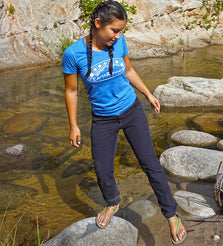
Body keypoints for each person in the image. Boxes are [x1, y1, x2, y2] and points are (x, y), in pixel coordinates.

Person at [62, 0, 186, 244]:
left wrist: (148, 94)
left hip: (131, 112)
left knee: (150, 164)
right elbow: (71, 92)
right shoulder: (73, 54)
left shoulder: (118, 43)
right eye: (114, 30)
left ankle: (171, 215)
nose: (118, 36)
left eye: (121, 31)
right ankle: (112, 202)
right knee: (102, 169)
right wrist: (74, 125)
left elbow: (128, 70)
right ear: (98, 24)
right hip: (102, 119)